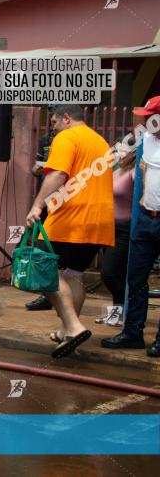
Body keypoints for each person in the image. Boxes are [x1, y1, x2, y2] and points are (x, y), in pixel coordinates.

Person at [25, 104, 114, 359]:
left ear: (66, 118)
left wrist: (37, 205)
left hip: (71, 218)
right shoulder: (99, 141)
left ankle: (74, 327)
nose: (52, 127)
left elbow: (58, 175)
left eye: (53, 121)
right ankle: (66, 330)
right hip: (99, 222)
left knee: (44, 269)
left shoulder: (67, 137)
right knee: (72, 276)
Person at [103, 98, 160, 356]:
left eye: (150, 116)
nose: (146, 121)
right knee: (135, 279)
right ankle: (132, 332)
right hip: (145, 219)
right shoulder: (146, 140)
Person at [96, 147, 135, 326]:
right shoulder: (115, 173)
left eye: (124, 153)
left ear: (133, 154)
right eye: (117, 153)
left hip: (125, 229)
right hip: (108, 228)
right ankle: (117, 314)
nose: (119, 156)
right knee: (116, 274)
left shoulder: (134, 173)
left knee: (109, 273)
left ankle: (125, 313)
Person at [25, 128, 57, 311]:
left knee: (55, 247)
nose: (53, 125)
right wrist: (37, 169)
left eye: (56, 120)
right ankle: (45, 294)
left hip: (64, 200)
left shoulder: (71, 141)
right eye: (52, 120)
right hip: (44, 201)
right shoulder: (46, 139)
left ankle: (54, 293)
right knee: (41, 246)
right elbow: (35, 169)